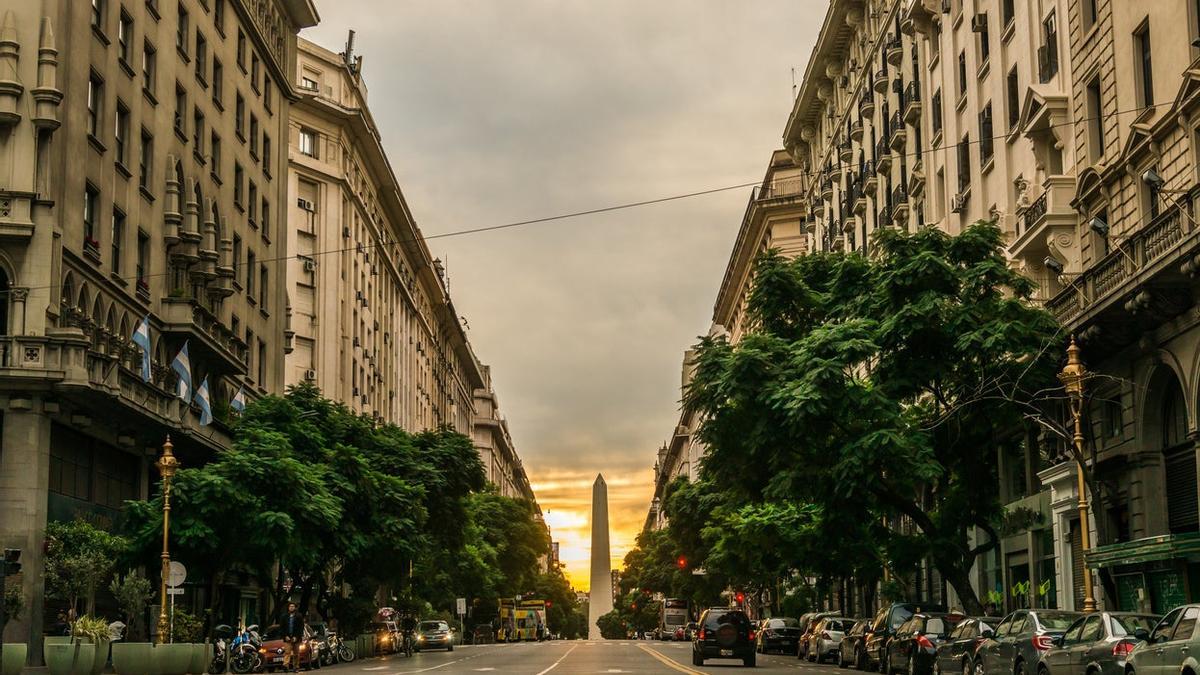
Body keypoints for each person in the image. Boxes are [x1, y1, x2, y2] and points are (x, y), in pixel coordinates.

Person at [282, 603, 305, 673]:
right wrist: (285, 636)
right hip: (287, 638)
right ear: (288, 607)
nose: (291, 608)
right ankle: (285, 666)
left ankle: (296, 667)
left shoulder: (299, 616)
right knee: (287, 652)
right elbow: (282, 628)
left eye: (293, 606)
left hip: (296, 638)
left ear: (295, 608)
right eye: (290, 606)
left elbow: (301, 628)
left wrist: (297, 636)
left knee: (296, 653)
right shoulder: (284, 616)